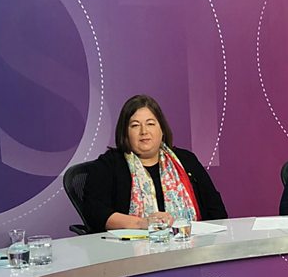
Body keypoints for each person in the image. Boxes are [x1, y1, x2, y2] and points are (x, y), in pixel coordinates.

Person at [83, 95, 228, 233]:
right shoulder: (108, 165)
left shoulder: (186, 160)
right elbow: (95, 213)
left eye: (150, 124)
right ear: (125, 133)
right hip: (130, 248)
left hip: (191, 244)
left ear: (162, 130)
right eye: (135, 125)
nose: (144, 131)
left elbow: (216, 210)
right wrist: (141, 223)